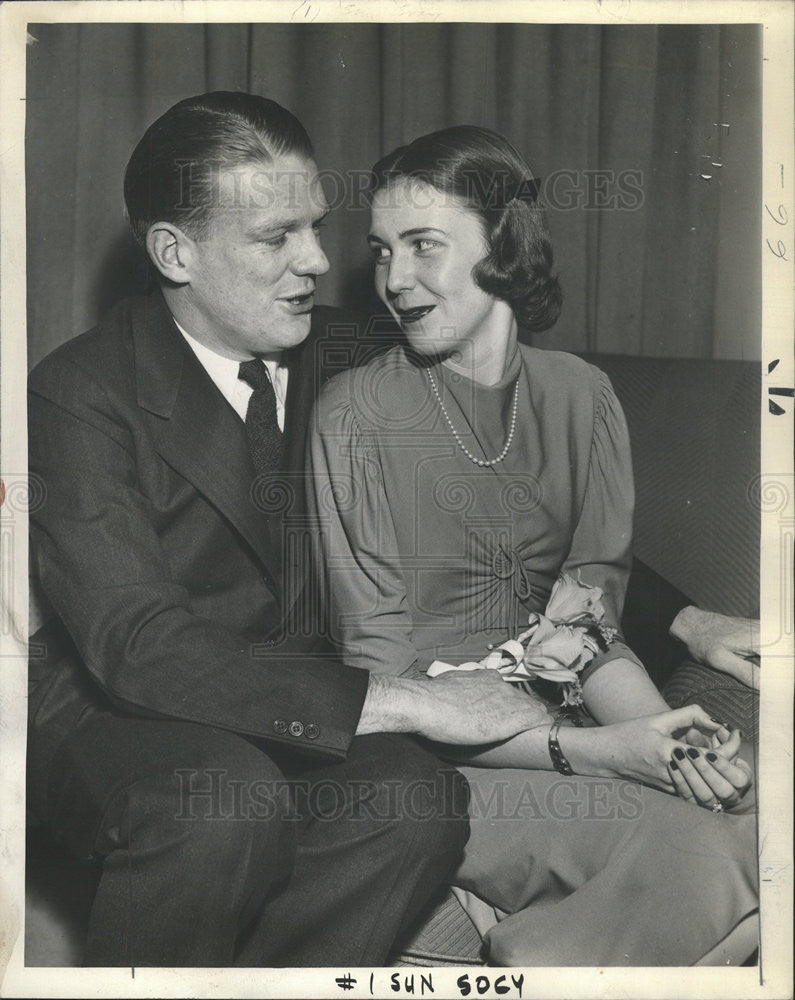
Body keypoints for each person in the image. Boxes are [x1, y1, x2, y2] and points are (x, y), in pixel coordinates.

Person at [26, 94, 557, 968]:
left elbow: (506, 513)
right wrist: (408, 700)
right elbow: (139, 646)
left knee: (414, 799)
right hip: (103, 705)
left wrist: (687, 620)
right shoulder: (78, 395)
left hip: (287, 692)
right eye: (276, 238)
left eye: (315, 226)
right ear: (174, 252)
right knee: (221, 802)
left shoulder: (346, 354)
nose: (315, 261)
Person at [307, 125, 760, 966]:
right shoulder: (354, 417)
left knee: (761, 814)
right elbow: (383, 682)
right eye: (380, 252)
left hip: (570, 718)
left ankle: (551, 951)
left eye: (423, 246)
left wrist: (668, 741)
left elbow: (586, 627)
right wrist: (597, 754)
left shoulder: (582, 397)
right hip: (434, 761)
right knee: (716, 859)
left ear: (503, 246)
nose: (393, 280)